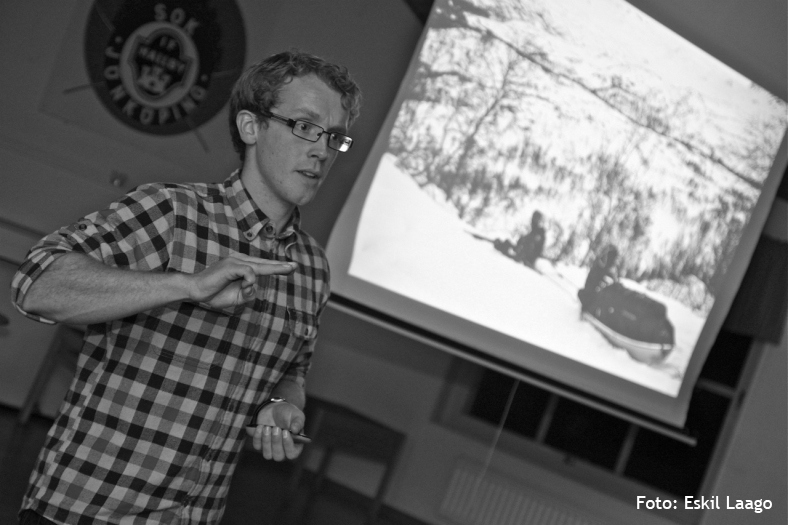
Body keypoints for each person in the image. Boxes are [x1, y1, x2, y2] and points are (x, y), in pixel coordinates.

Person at [10, 50, 362, 525]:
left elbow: (291, 372)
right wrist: (186, 286)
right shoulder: (173, 212)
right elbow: (35, 284)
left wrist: (280, 407)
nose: (322, 150)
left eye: (335, 136)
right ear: (251, 127)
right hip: (88, 509)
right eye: (305, 126)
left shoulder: (312, 267)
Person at [578, 244, 619, 312]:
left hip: (597, 288)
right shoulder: (602, 263)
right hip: (593, 290)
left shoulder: (608, 265)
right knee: (589, 291)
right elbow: (592, 281)